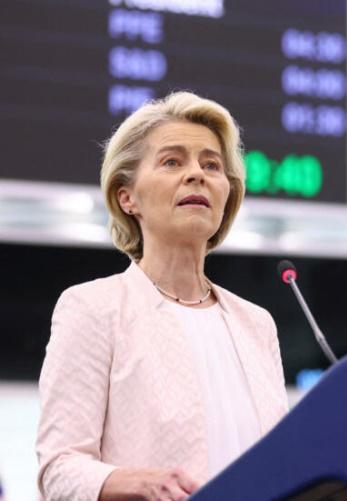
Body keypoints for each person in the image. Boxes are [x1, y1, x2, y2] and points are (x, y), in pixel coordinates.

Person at [35, 92, 289, 501]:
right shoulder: (94, 308)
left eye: (212, 165)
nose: (197, 175)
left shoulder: (257, 323)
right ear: (126, 197)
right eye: (172, 161)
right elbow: (59, 471)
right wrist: (133, 482)